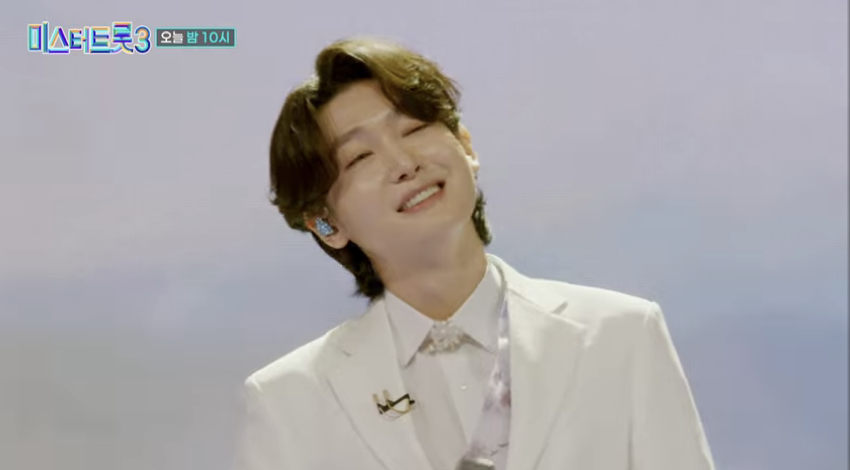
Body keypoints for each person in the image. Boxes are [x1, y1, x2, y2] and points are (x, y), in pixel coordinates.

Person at [233, 35, 715, 470]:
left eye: (414, 129)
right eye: (359, 157)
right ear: (326, 223)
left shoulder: (621, 336)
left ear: (466, 146)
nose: (404, 163)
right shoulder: (290, 400)